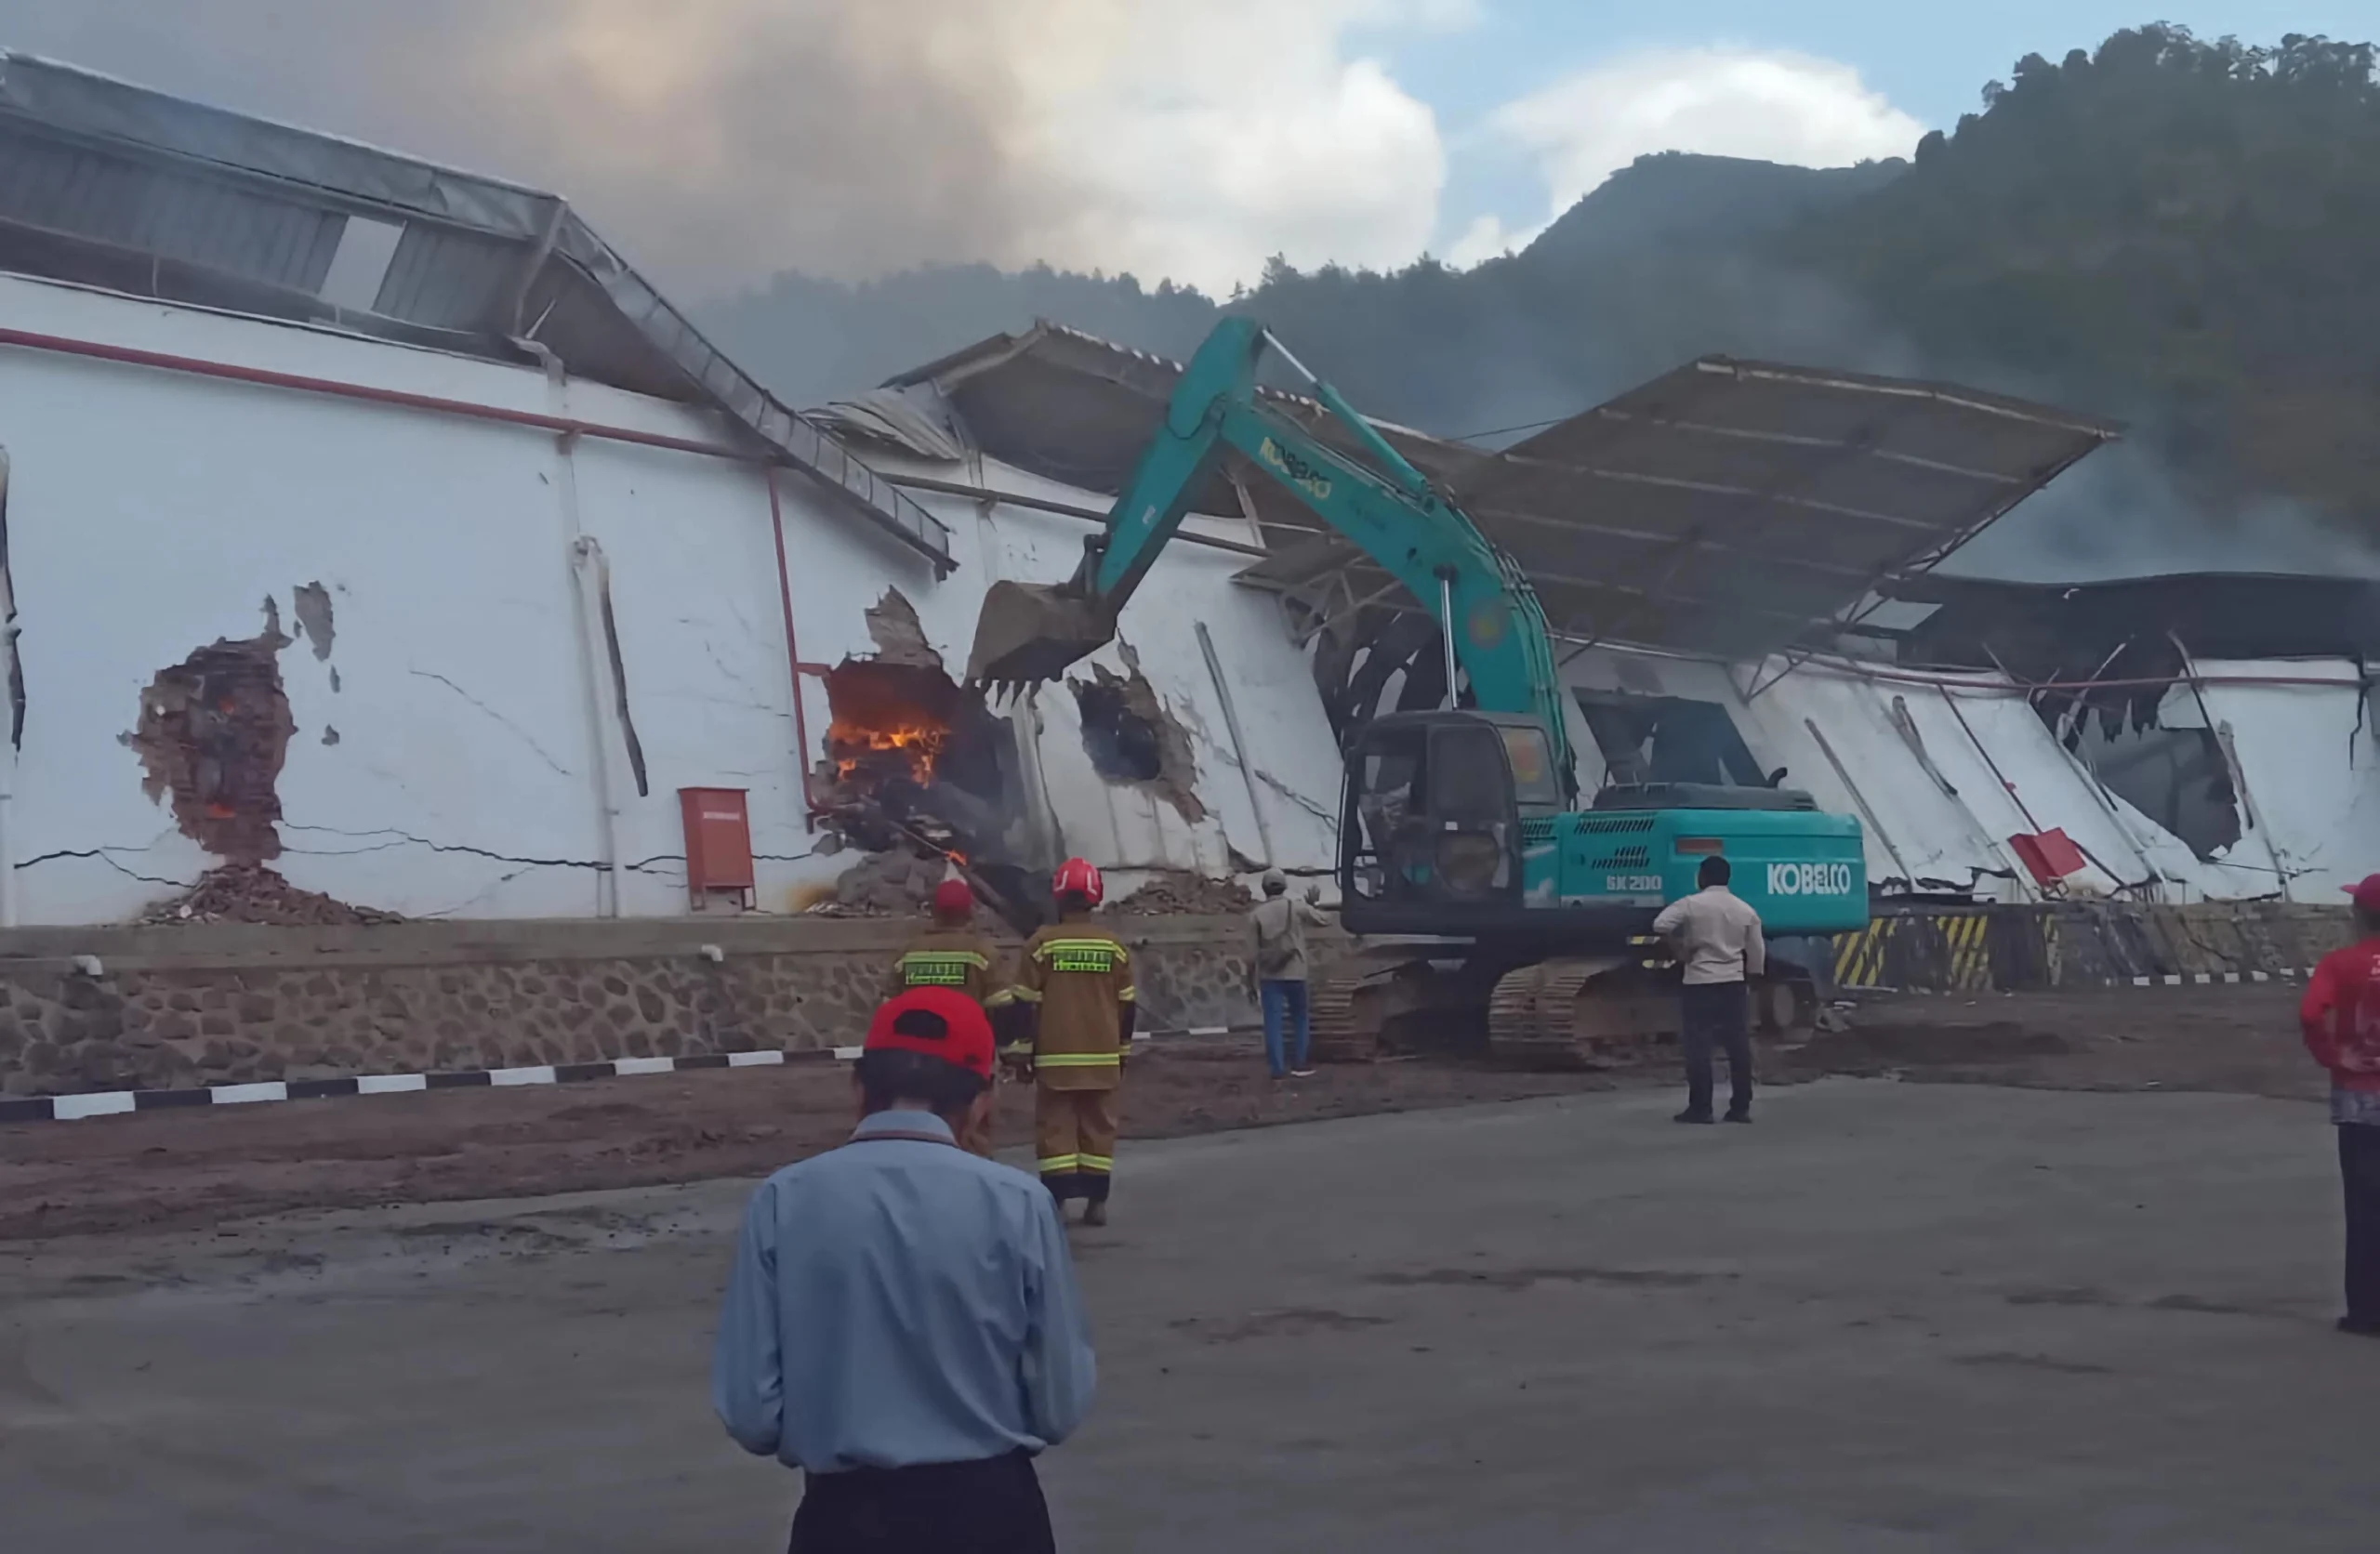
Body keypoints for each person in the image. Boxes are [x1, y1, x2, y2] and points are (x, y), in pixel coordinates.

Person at [713, 985, 1095, 1553]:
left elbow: (751, 1414)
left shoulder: (783, 1199)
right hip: (992, 1516)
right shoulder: (1018, 1203)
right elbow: (1059, 1405)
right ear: (981, 1102)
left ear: (859, 1089)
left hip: (843, 1519)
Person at [1012, 858, 1134, 1226]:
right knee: (1099, 1128)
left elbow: (1022, 1005)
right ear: (1096, 897)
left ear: (1059, 897)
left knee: (1055, 1129)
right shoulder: (1114, 948)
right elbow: (1128, 1006)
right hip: (1103, 1056)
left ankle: (1058, 1205)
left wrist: (1020, 1054)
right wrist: (1122, 1053)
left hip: (1056, 1058)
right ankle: (1097, 1205)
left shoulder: (1041, 945)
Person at [2297, 875, 2380, 1337]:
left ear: (2360, 915)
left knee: (2366, 1207)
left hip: (2361, 1098)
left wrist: (2333, 1056)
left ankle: (2368, 1313)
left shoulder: (2340, 963)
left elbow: (2311, 1014)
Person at [884, 877, 1016, 1157]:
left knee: (919, 1133)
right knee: (973, 1133)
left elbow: (888, 1009)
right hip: (969, 1064)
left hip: (914, 1064)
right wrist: (1009, 1055)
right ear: (969, 912)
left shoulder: (908, 954)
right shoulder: (982, 954)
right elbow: (1003, 1009)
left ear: (934, 911)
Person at [1652, 854, 1765, 1125]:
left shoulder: (1691, 904)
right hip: (1733, 984)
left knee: (1698, 1047)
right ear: (1728, 878)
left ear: (1702, 877)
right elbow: (1757, 951)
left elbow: (1659, 924)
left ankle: (1701, 1108)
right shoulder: (1745, 910)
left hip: (1699, 983)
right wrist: (1751, 977)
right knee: (1738, 1046)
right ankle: (1740, 1108)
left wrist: (1679, 947)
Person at [1250, 868, 1329, 1079]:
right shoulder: (1295, 907)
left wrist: (1249, 982)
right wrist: (1314, 906)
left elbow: (1251, 954)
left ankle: (1277, 1069)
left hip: (1269, 976)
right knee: (1300, 1018)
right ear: (1284, 887)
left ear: (1264, 889)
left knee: (1273, 1023)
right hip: (1296, 972)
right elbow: (1324, 920)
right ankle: (1299, 1063)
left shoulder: (1255, 915)